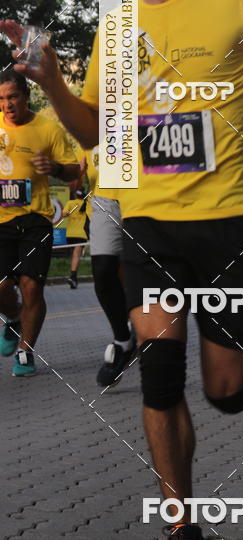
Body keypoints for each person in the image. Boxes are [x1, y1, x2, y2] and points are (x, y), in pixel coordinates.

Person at [1, 0, 243, 539]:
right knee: (161, 376)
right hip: (150, 222)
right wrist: (53, 82)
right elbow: (96, 133)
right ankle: (182, 523)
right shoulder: (117, 25)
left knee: (226, 393)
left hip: (231, 221)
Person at [0, 70, 79, 375]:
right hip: (1, 220)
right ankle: (15, 318)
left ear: (26, 96)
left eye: (13, 97)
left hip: (36, 219)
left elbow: (73, 171)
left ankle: (25, 352)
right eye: (1, 99)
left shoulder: (48, 129)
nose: (7, 104)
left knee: (32, 287)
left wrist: (55, 167)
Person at [79, 145, 136, 387]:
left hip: (148, 196)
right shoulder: (92, 124)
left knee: (143, 271)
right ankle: (123, 339)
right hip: (106, 196)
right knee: (103, 270)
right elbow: (76, 165)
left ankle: (143, 330)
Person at [65, 185, 89, 289]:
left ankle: (73, 278)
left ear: (75, 194)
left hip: (70, 234)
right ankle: (73, 276)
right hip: (81, 234)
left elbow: (64, 214)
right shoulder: (87, 204)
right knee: (76, 256)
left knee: (74, 256)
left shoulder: (70, 203)